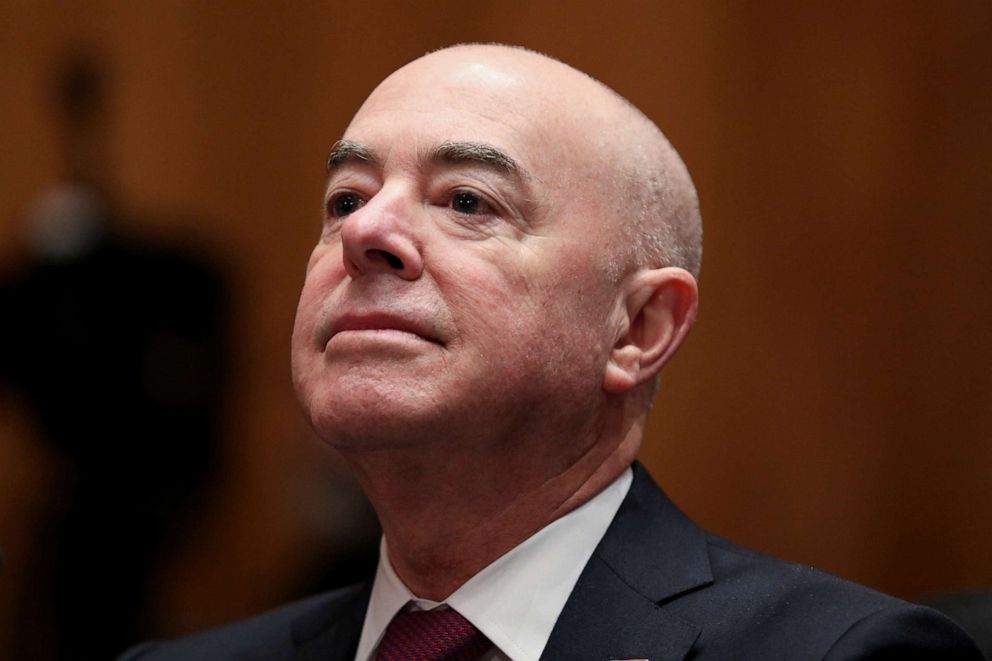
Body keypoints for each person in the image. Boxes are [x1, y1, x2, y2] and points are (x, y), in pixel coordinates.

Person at [119, 44, 982, 660]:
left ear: (638, 328)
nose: (367, 232)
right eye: (345, 199)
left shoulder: (837, 652)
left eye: (466, 200)